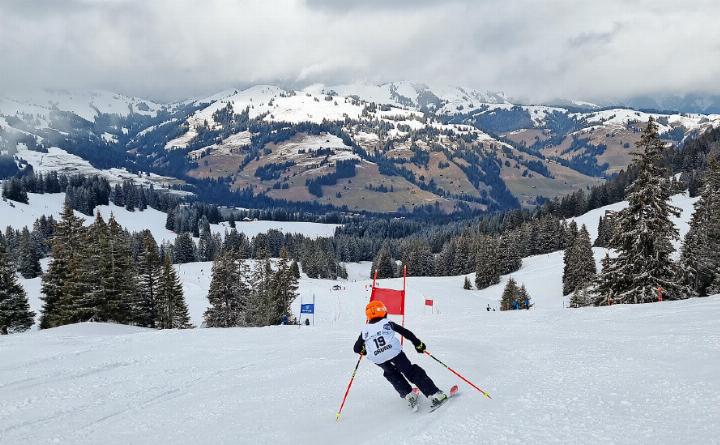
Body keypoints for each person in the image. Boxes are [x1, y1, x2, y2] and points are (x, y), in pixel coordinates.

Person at [353, 301, 447, 410]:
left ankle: (409, 394)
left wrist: (364, 351)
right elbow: (406, 333)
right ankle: (434, 394)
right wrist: (418, 344)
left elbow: (356, 349)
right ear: (383, 312)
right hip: (392, 351)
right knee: (410, 371)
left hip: (377, 357)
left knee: (391, 373)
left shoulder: (365, 330)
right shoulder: (386, 322)